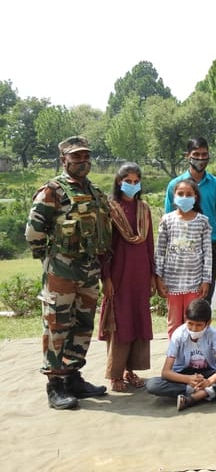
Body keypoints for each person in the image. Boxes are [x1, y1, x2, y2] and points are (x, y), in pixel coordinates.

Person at [25, 136, 111, 410]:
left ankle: (72, 377)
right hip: (61, 272)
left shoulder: (94, 191)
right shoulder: (52, 191)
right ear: (64, 160)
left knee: (82, 325)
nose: (82, 161)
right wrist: (50, 260)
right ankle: (55, 385)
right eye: (76, 157)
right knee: (57, 326)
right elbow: (34, 232)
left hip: (88, 271)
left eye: (86, 156)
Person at [98, 162, 155, 392]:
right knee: (120, 323)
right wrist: (106, 278)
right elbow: (104, 248)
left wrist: (152, 276)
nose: (132, 185)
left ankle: (131, 371)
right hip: (119, 275)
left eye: (136, 181)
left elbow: (149, 245)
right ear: (118, 182)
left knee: (137, 320)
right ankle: (115, 374)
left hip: (140, 275)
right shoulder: (109, 209)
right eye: (128, 181)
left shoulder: (144, 209)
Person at [145, 298, 216, 411]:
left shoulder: (213, 333)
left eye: (199, 325)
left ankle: (195, 396)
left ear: (208, 323)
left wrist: (209, 381)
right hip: (183, 374)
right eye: (190, 323)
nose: (194, 329)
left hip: (207, 373)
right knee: (153, 384)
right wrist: (188, 379)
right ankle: (214, 391)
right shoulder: (178, 335)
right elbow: (166, 372)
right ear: (185, 319)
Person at [164, 137, 216, 304]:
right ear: (187, 156)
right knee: (179, 297)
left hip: (208, 247)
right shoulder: (175, 185)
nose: (200, 158)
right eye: (196, 154)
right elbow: (169, 216)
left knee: (204, 299)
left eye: (204, 154)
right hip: (180, 248)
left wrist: (202, 233)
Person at [155, 178, 212, 338]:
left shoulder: (203, 221)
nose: (184, 197)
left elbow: (208, 253)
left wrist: (206, 280)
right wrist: (158, 277)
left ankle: (193, 351)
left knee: (193, 321)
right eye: (180, 194)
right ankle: (174, 351)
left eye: (189, 194)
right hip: (172, 283)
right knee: (174, 323)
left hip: (194, 283)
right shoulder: (167, 220)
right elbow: (160, 251)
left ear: (196, 197)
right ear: (174, 196)